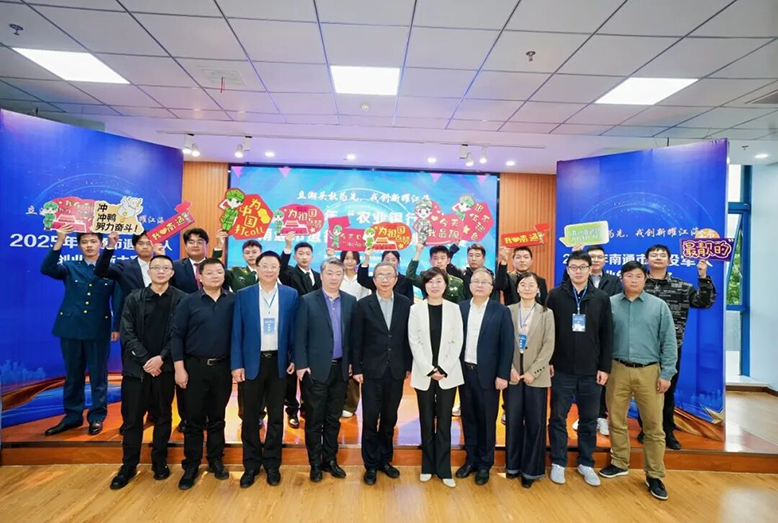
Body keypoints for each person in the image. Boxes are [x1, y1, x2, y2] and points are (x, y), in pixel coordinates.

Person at [600, 261, 678, 502]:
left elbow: (669, 341)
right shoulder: (609, 304)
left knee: (654, 425)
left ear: (645, 279)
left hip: (649, 372)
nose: (633, 280)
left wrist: (667, 373)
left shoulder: (658, 306)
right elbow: (601, 338)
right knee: (616, 420)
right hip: (617, 369)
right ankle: (619, 462)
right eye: (629, 276)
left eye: (638, 276)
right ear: (621, 278)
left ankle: (654, 474)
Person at [110, 255, 186, 489]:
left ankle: (159, 461)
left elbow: (179, 334)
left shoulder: (182, 299)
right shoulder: (134, 298)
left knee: (163, 416)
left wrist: (161, 358)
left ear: (172, 273)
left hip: (165, 369)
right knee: (132, 419)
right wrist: (146, 360)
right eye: (156, 267)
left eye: (166, 268)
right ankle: (128, 465)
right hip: (137, 370)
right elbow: (127, 332)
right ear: (149, 272)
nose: (161, 271)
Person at [41, 224, 121, 437]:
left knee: (98, 376)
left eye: (93, 241)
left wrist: (116, 326)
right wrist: (59, 241)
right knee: (73, 375)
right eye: (84, 242)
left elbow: (118, 299)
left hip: (98, 329)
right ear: (78, 246)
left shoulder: (111, 269)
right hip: (71, 327)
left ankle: (97, 417)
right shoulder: (70, 266)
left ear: (101, 243)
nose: (89, 245)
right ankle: (72, 416)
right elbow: (47, 269)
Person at [637, 244, 716, 450]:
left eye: (662, 255)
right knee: (644, 391)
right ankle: (646, 429)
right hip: (640, 346)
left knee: (667, 390)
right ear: (646, 260)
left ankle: (667, 431)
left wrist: (703, 276)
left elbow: (704, 302)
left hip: (670, 348)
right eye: (654, 254)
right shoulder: (637, 284)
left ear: (670, 261)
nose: (658, 257)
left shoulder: (682, 286)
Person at [232, 251, 299, 488]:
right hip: (252, 362)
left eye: (274, 266)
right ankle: (251, 465)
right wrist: (236, 364)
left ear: (279, 269)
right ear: (257, 268)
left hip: (279, 363)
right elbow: (236, 332)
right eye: (265, 266)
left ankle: (272, 464)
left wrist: (295, 358)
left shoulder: (290, 294)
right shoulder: (244, 295)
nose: (269, 270)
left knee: (276, 416)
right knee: (250, 416)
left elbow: (295, 330)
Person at [546, 250, 613, 487]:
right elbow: (547, 331)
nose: (578, 271)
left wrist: (605, 367)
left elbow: (607, 334)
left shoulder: (601, 297)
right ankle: (558, 461)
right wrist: (549, 361)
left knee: (589, 419)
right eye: (573, 267)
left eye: (582, 267)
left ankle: (586, 462)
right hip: (561, 368)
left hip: (591, 370)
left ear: (590, 269)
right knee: (557, 417)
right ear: (567, 269)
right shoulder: (555, 295)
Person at [171, 259, 235, 490]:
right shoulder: (188, 301)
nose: (215, 276)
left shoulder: (233, 300)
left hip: (222, 368)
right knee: (193, 419)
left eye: (219, 272)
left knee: (217, 417)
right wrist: (179, 368)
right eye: (210, 273)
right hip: (194, 367)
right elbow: (176, 335)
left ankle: (216, 460)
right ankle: (191, 465)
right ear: (200, 276)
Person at [96, 230, 164, 434]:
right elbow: (100, 270)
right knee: (133, 375)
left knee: (158, 373)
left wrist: (162, 257)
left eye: (149, 243)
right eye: (141, 243)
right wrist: (110, 246)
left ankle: (155, 412)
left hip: (160, 326)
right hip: (133, 326)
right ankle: (131, 420)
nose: (145, 246)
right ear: (134, 246)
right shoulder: (124, 266)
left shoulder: (164, 265)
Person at [351, 261, 412, 485]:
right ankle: (370, 465)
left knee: (389, 418)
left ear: (396, 279)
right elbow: (356, 339)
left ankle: (385, 460)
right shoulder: (363, 305)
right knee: (370, 419)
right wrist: (357, 368)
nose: (385, 279)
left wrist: (408, 365)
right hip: (371, 371)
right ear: (374, 280)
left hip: (396, 370)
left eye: (389, 275)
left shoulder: (406, 303)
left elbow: (409, 338)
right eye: (380, 276)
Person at [295, 257, 356, 482]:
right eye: (329, 273)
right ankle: (314, 463)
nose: (333, 278)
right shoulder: (307, 300)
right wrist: (301, 365)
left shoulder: (350, 301)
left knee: (333, 419)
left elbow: (353, 337)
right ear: (321, 275)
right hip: (315, 371)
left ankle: (330, 460)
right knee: (314, 420)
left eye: (338, 274)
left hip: (340, 371)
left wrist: (352, 363)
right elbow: (299, 335)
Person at [455, 268, 513, 486]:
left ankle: (484, 464)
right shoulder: (460, 308)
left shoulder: (501, 311)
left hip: (488, 375)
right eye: (476, 281)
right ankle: (470, 460)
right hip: (464, 372)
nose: (479, 285)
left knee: (487, 421)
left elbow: (507, 345)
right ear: (469, 285)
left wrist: (502, 374)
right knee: (468, 418)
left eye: (485, 282)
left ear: (491, 287)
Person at [408, 267, 464, 488]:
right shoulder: (415, 309)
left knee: (444, 422)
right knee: (426, 420)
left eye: (439, 281)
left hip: (448, 374)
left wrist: (443, 368)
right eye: (430, 282)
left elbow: (457, 341)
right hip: (424, 373)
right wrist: (430, 369)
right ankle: (427, 466)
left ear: (445, 284)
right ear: (424, 285)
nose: (434, 285)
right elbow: (414, 341)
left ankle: (444, 469)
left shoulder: (454, 309)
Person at [505, 272, 555, 489]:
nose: (527, 288)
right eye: (523, 284)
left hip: (537, 377)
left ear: (538, 289)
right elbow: (503, 342)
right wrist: (510, 369)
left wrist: (534, 371)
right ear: (517, 288)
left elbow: (549, 345)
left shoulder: (546, 313)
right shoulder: (508, 311)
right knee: (513, 421)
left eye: (531, 285)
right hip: (513, 376)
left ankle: (531, 470)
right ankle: (512, 466)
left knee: (535, 423)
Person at [212, 233, 265, 426]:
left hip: (267, 329)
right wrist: (219, 247)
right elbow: (216, 269)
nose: (251, 255)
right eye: (247, 252)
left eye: (254, 251)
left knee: (264, 376)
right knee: (247, 375)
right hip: (244, 328)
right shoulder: (235, 272)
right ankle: (246, 415)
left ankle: (260, 414)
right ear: (243, 255)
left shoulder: (268, 273)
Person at [570, 245, 623, 436]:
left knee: (599, 381)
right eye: (592, 256)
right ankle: (584, 416)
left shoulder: (613, 281)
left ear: (605, 260)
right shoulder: (574, 279)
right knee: (580, 383)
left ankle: (601, 416)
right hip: (576, 337)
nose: (596, 260)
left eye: (600, 257)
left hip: (599, 331)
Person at [170, 227, 214, 433]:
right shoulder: (175, 267)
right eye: (191, 242)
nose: (195, 245)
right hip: (185, 327)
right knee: (185, 376)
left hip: (211, 326)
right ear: (185, 245)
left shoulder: (214, 266)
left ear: (206, 245)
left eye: (200, 241)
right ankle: (186, 417)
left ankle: (207, 416)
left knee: (209, 379)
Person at [281, 235, 321, 429]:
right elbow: (281, 268)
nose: (304, 257)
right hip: (293, 326)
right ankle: (292, 410)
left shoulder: (319, 276)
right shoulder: (289, 273)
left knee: (309, 372)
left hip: (314, 329)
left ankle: (307, 407)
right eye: (300, 254)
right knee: (291, 371)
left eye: (307, 253)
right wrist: (287, 247)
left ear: (312, 256)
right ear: (295, 256)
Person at [329, 249, 371, 419]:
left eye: (353, 259)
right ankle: (336, 401)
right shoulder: (337, 277)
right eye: (346, 258)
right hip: (337, 322)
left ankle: (351, 404)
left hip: (356, 322)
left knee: (353, 361)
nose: (349, 262)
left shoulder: (362, 279)